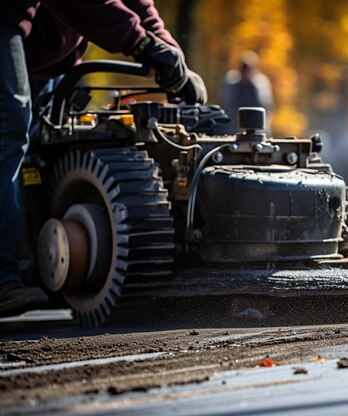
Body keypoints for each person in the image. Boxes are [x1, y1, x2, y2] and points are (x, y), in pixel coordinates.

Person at [0, 0, 207, 318]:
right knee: (9, 132)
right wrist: (143, 44)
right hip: (8, 28)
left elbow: (138, 5)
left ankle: (33, 270)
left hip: (48, 58)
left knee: (44, 149)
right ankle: (3, 276)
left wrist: (174, 62)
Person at [221, 51, 274, 133]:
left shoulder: (260, 85)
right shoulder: (233, 84)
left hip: (258, 126)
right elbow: (227, 106)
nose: (246, 73)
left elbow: (266, 105)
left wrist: (266, 125)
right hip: (235, 126)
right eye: (244, 69)